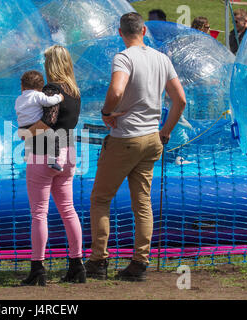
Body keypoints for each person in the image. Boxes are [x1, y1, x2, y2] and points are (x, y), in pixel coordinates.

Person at [84, 12, 186, 282]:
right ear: (143, 30)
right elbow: (181, 100)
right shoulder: (162, 59)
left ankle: (98, 260)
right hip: (152, 138)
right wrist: (165, 132)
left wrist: (107, 112)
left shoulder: (124, 57)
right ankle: (140, 261)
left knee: (101, 199)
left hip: (125, 137)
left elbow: (117, 91)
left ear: (120, 33)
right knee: (142, 203)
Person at [19, 45, 84, 286]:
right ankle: (77, 265)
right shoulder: (75, 91)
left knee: (39, 213)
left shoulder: (51, 90)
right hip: (69, 153)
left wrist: (23, 132)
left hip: (44, 153)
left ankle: (38, 268)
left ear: (51, 64)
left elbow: (47, 123)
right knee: (68, 210)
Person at [15, 70, 64, 171]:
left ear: (22, 86)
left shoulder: (19, 99)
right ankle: (52, 161)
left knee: (29, 139)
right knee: (53, 137)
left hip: (22, 127)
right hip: (35, 126)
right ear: (41, 87)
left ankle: (27, 155)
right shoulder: (37, 95)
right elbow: (48, 102)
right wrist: (59, 97)